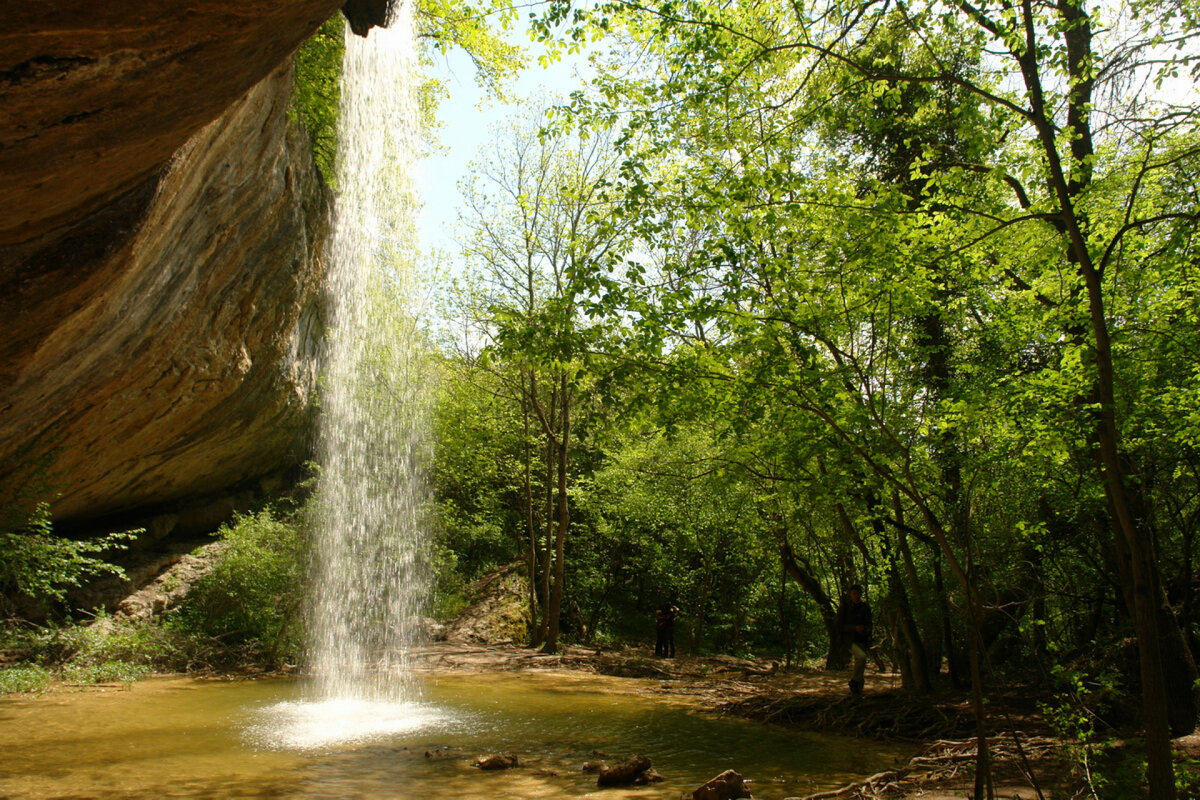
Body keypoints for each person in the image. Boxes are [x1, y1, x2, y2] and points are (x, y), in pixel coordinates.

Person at [835, 584, 872, 696]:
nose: (856, 596)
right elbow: (837, 625)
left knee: (861, 663)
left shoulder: (865, 607)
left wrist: (865, 629)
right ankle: (854, 681)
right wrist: (853, 628)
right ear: (850, 595)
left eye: (858, 594)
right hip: (848, 640)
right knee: (861, 657)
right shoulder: (844, 607)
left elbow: (869, 623)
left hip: (862, 639)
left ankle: (857, 692)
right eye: (854, 594)